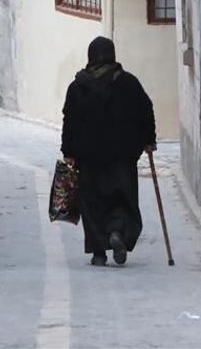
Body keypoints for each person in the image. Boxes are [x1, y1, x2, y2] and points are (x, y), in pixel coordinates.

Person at [60, 36, 157, 266]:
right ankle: (117, 231)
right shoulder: (129, 83)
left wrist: (68, 151)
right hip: (122, 157)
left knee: (92, 203)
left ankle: (98, 253)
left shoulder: (77, 87)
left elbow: (69, 120)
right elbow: (145, 110)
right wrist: (149, 139)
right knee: (122, 199)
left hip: (88, 158)